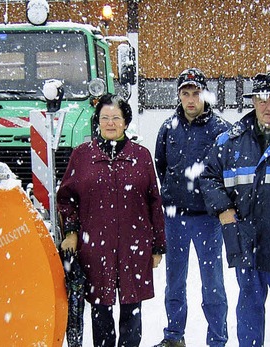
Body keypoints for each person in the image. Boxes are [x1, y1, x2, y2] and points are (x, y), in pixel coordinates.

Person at [201, 72, 270, 347]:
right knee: (249, 313)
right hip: (246, 241)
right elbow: (208, 177)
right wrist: (223, 209)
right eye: (263, 99)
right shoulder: (229, 142)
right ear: (253, 101)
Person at [57, 94, 166, 347]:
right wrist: (71, 231)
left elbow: (154, 202)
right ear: (97, 122)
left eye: (116, 118)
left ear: (126, 122)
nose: (110, 123)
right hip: (95, 247)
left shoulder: (141, 156)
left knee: (132, 310)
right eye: (105, 118)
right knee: (101, 311)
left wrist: (158, 246)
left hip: (133, 246)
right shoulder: (82, 156)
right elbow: (66, 198)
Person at [153, 68, 229, 347]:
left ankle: (218, 338)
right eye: (185, 93)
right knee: (174, 280)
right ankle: (174, 336)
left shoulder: (220, 130)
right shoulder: (168, 127)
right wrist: (174, 195)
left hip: (207, 218)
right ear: (179, 96)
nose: (191, 99)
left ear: (204, 94)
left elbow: (226, 172)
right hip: (174, 217)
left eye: (196, 93)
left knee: (213, 283)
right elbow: (161, 165)